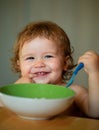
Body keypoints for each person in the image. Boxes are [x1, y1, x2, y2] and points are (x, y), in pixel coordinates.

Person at [11, 21, 99, 118]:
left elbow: (95, 112)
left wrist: (95, 73)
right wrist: (16, 89)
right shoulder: (20, 87)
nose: (39, 64)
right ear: (19, 65)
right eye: (30, 58)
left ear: (65, 63)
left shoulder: (75, 92)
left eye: (48, 56)